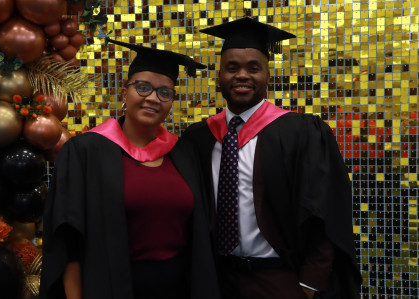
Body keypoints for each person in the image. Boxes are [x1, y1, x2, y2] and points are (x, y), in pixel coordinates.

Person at [182, 17, 362, 299]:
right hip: (217, 280)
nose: (242, 75)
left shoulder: (301, 134)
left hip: (281, 280)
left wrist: (310, 284)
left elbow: (326, 210)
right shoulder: (198, 139)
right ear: (219, 75)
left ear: (267, 75)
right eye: (232, 68)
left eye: (253, 68)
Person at [40, 38, 221, 299]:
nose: (153, 98)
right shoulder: (85, 152)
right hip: (109, 286)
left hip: (179, 289)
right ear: (125, 93)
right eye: (143, 87)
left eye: (165, 92)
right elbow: (68, 240)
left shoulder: (185, 153)